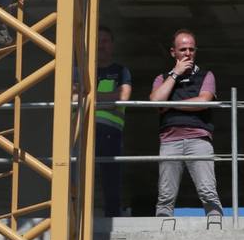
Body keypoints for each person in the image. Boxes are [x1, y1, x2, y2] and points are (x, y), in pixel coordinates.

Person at [149, 29, 223, 219]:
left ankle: (216, 229)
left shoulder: (206, 75)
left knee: (208, 192)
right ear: (173, 52)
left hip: (198, 139)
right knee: (166, 196)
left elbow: (203, 101)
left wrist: (170, 105)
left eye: (192, 49)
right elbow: (156, 102)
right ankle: (162, 233)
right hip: (169, 141)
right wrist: (175, 75)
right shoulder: (162, 77)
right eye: (183, 49)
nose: (188, 53)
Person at [92, 26, 132, 216]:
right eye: (98, 40)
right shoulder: (81, 70)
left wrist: (90, 97)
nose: (101, 45)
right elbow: (74, 98)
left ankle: (112, 217)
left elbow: (122, 98)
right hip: (82, 133)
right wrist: (109, 100)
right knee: (76, 178)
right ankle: (73, 218)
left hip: (111, 134)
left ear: (112, 46)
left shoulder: (121, 71)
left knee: (111, 180)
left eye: (105, 41)